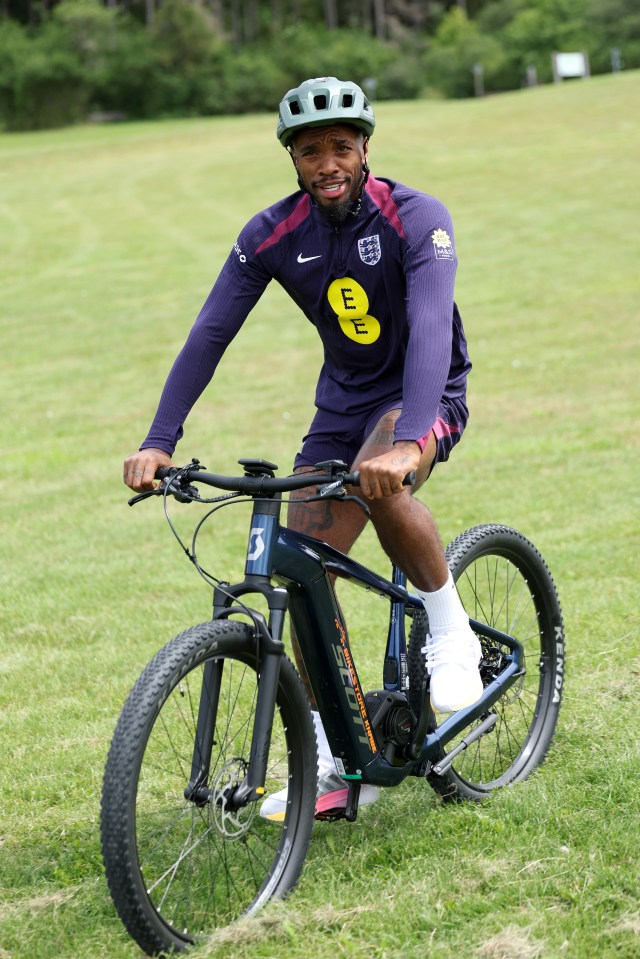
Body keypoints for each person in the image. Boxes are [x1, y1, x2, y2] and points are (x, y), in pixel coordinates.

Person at [124, 76, 483, 820]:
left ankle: (450, 632)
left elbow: (428, 330)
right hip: (342, 405)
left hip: (424, 393)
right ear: (292, 157)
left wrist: (412, 440)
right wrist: (160, 441)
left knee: (382, 484)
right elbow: (210, 333)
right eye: (311, 150)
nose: (328, 163)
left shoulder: (418, 218)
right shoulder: (271, 234)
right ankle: (326, 752)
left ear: (366, 150)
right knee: (298, 572)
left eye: (341, 148)